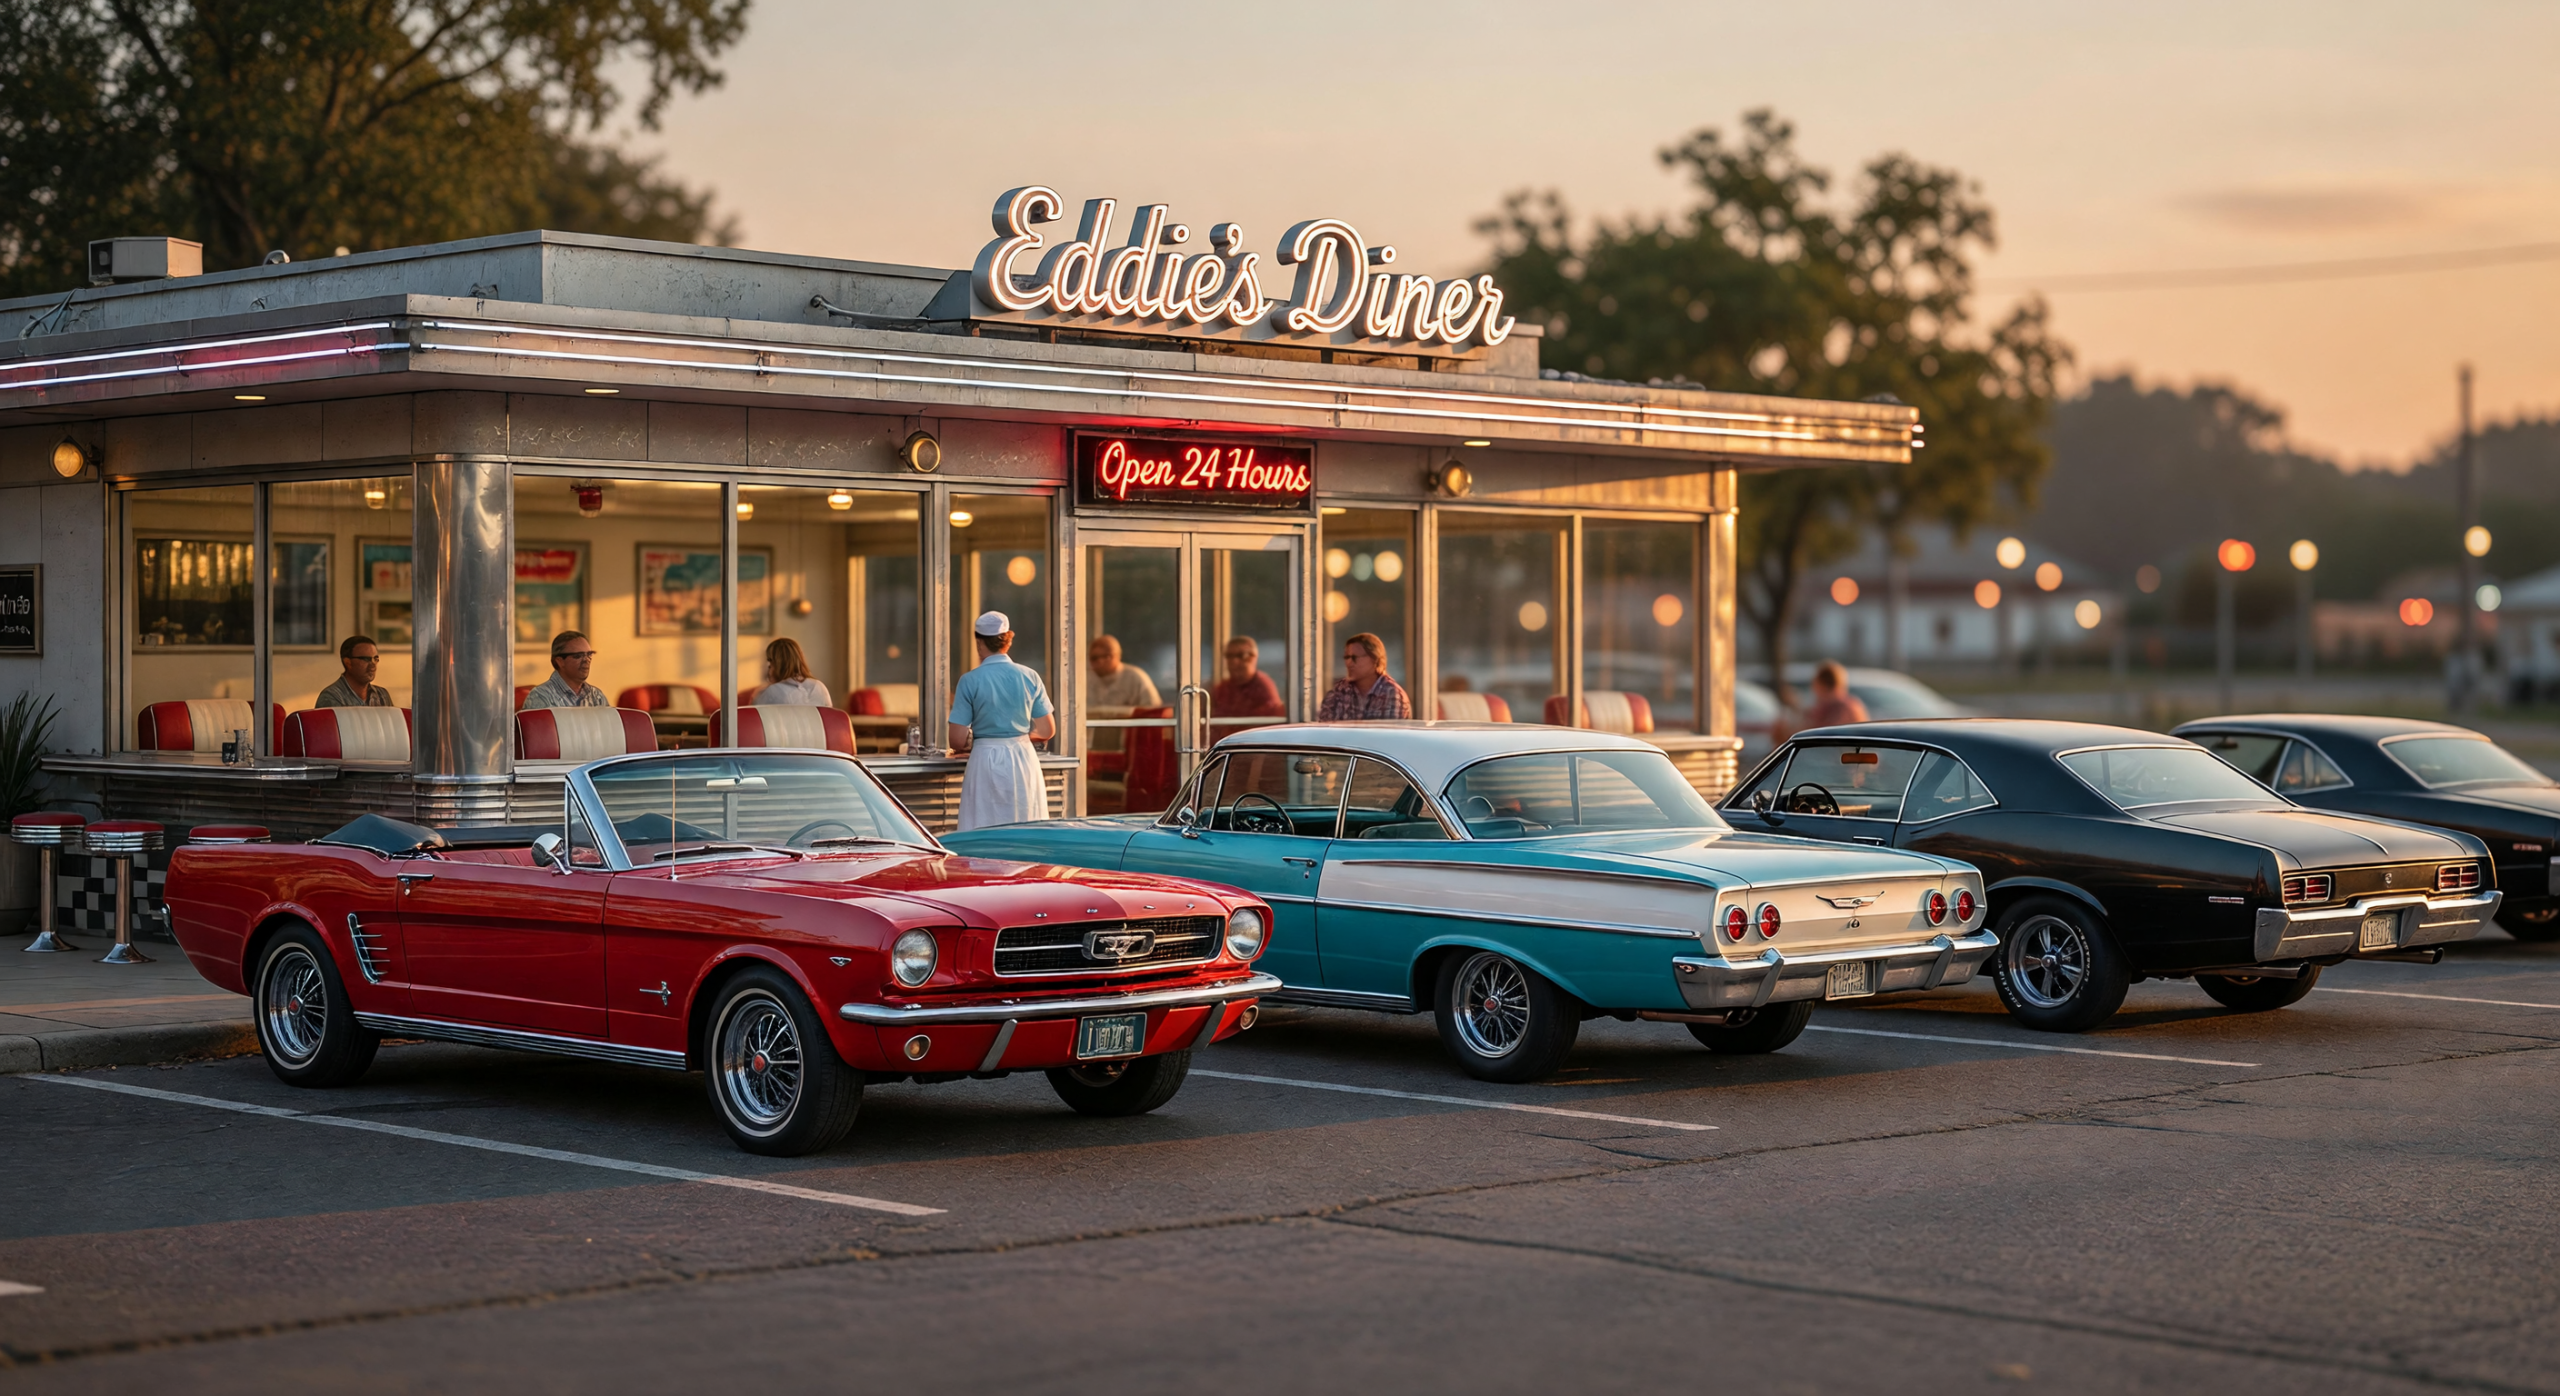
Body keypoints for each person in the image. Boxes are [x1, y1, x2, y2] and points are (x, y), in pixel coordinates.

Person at [949, 611, 1056, 829]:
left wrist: (974, 741)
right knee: (1025, 825)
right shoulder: (1030, 676)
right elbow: (1046, 730)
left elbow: (956, 740)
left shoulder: (969, 681)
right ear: (1008, 641)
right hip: (1024, 758)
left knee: (983, 826)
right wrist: (1023, 737)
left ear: (979, 643)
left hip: (985, 758)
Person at [1318, 632, 1410, 721]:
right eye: (1347, 657)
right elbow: (1325, 730)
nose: (1349, 663)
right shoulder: (1339, 690)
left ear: (1374, 659)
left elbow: (1387, 735)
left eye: (1354, 657)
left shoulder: (1391, 693)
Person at [524, 630, 610, 709]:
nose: (586, 660)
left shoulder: (597, 696)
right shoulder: (541, 696)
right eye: (578, 655)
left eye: (589, 654)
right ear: (560, 661)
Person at [1210, 636, 1285, 720]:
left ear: (1254, 657)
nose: (1234, 661)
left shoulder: (1263, 688)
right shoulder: (1223, 688)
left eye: (1241, 655)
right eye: (1229, 656)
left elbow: (1269, 723)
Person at [316, 635, 395, 707]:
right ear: (348, 662)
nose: (373, 664)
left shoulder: (382, 695)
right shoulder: (331, 697)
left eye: (376, 659)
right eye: (366, 659)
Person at [1087, 635, 1161, 708]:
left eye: (1107, 656)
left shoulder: (1136, 678)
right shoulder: (1085, 680)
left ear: (1118, 656)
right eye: (1094, 658)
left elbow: (1153, 710)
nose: (1100, 661)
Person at [755, 637, 831, 706]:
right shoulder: (819, 686)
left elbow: (753, 718)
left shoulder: (771, 692)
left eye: (769, 661)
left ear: (774, 664)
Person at [1798, 660, 1870, 730]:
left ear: (1822, 686)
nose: (1813, 689)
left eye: (1815, 684)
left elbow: (1822, 733)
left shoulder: (1837, 708)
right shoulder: (1853, 704)